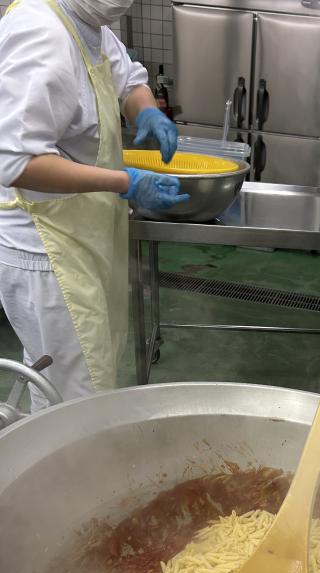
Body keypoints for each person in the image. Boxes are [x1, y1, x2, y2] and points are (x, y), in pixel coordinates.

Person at [0, 0, 189, 410]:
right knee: (79, 399)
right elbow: (17, 162)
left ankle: (51, 443)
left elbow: (128, 80)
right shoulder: (41, 32)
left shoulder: (88, 25)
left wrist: (147, 112)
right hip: (46, 249)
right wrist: (124, 182)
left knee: (60, 381)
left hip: (77, 238)